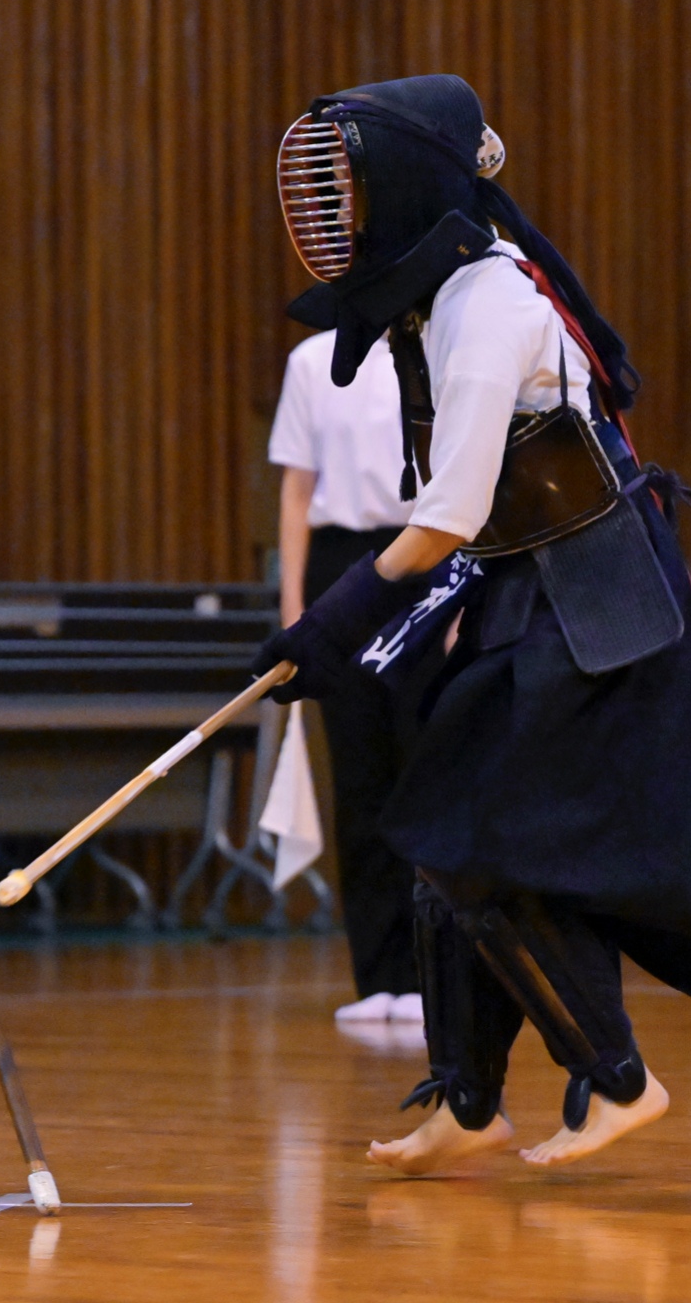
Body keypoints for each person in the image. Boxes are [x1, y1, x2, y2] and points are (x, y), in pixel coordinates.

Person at [257, 75, 691, 1174]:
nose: (341, 213)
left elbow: (447, 514)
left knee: (481, 844)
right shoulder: (441, 299)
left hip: (598, 604)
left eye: (354, 187)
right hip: (528, 590)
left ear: (406, 186)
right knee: (439, 837)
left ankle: (616, 1078)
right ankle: (467, 1102)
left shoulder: (488, 307)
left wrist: (329, 624)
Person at [270, 327, 425, 1026]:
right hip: (341, 571)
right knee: (360, 777)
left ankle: (430, 975)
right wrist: (295, 614)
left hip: (424, 556)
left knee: (423, 763)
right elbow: (296, 490)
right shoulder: (310, 361)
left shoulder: (436, 350)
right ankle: (377, 977)